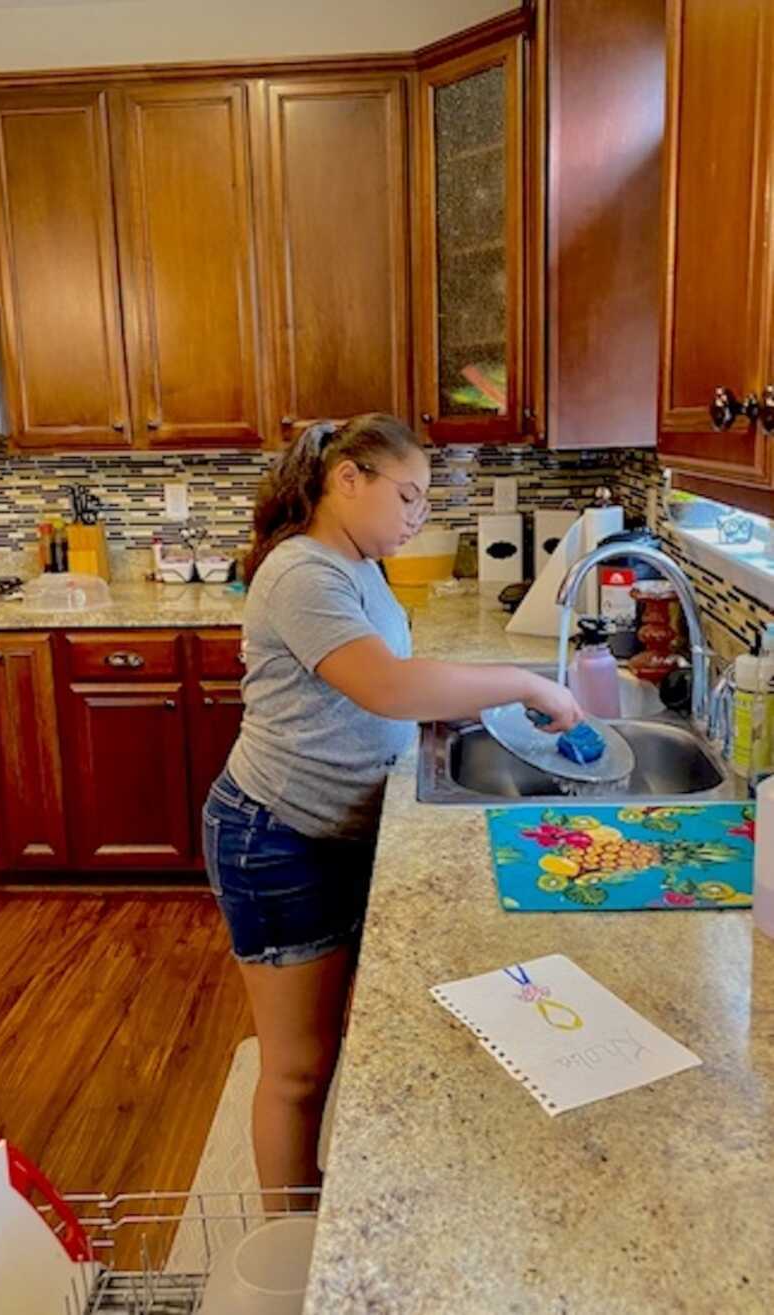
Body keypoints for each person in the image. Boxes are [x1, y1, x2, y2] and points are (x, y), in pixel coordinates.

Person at [202, 412, 581, 1203]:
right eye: (407, 496)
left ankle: (309, 1203)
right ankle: (287, 1231)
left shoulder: (356, 563)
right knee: (297, 1068)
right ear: (348, 481)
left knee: (328, 1044)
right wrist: (522, 684)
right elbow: (388, 687)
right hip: (276, 836)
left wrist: (477, 709)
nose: (418, 517)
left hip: (333, 828)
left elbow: (396, 674)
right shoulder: (302, 572)